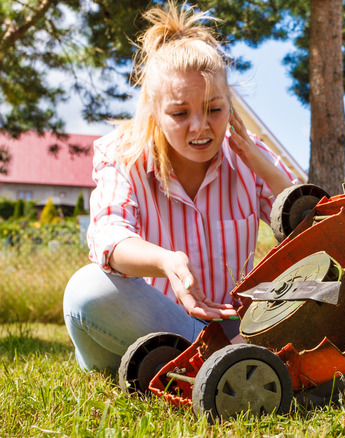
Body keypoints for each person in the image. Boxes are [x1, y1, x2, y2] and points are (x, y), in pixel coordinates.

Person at [62, 2, 298, 373]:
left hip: (235, 328)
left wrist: (257, 161)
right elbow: (107, 237)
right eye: (179, 113)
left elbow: (311, 228)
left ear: (230, 106)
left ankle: (210, 361)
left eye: (214, 109)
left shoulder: (250, 155)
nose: (200, 127)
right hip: (150, 327)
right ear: (154, 111)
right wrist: (165, 261)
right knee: (87, 290)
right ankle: (218, 361)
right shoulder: (121, 154)